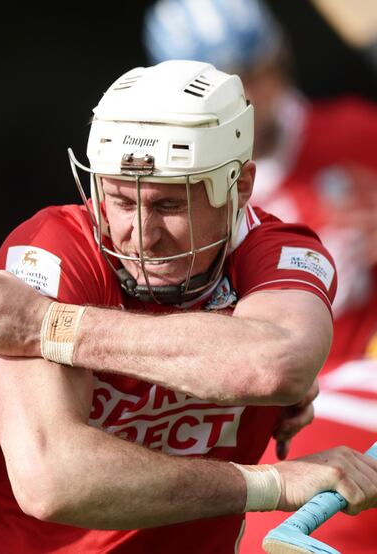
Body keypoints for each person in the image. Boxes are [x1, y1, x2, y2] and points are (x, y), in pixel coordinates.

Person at [0, 59, 377, 553]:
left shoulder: (282, 251)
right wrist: (270, 485)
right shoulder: (47, 249)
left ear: (239, 187)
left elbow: (275, 366)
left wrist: (50, 324)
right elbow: (51, 480)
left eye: (168, 206)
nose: (140, 234)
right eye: (120, 201)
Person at [144, 1, 377, 551]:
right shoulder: (191, 205)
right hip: (282, 425)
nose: (255, 93)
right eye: (233, 84)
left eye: (260, 68)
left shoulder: (356, 132)